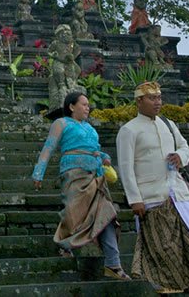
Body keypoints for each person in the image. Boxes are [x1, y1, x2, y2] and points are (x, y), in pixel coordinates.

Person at [116, 81, 189, 296]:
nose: (158, 102)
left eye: (159, 98)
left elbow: (184, 146)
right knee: (163, 250)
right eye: (152, 98)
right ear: (139, 101)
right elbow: (125, 168)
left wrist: (181, 157)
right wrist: (135, 199)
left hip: (180, 196)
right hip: (151, 198)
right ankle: (168, 291)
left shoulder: (168, 124)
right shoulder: (129, 130)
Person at [31, 92, 129, 280]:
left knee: (107, 214)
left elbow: (95, 150)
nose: (87, 108)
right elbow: (49, 147)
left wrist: (103, 157)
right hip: (74, 174)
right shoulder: (61, 123)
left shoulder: (90, 128)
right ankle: (65, 245)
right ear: (71, 106)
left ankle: (113, 263)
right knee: (74, 213)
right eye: (84, 104)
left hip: (96, 176)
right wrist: (39, 171)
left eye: (88, 105)